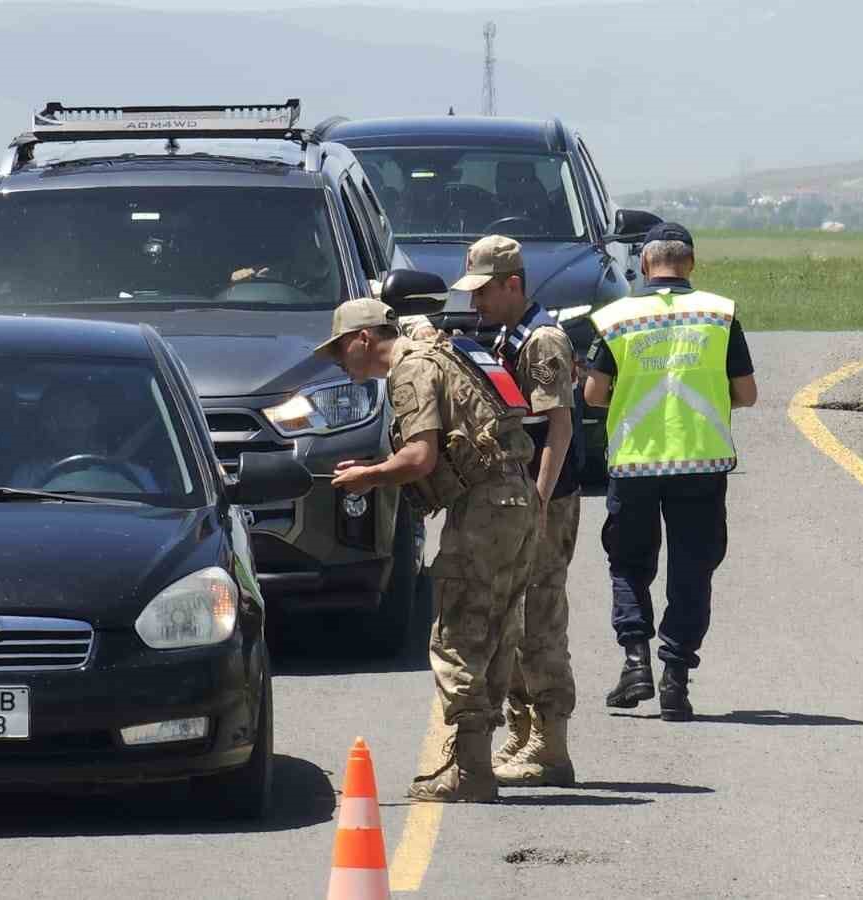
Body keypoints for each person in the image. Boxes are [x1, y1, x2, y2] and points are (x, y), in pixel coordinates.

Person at [318, 297, 538, 803]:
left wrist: (368, 477)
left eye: (339, 351)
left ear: (363, 340)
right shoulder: (435, 354)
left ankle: (469, 771)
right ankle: (474, 763)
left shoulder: (409, 371)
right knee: (497, 628)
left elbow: (420, 457)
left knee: (459, 633)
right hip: (514, 499)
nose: (339, 363)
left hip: (485, 509)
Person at [582, 222, 757, 722]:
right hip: (701, 462)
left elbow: (594, 395)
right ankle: (675, 678)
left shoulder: (616, 318)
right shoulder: (719, 315)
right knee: (693, 567)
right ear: (691, 265)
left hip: (635, 462)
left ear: (643, 263)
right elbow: (746, 393)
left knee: (629, 563)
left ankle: (635, 663)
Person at [454, 235, 581, 787]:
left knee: (539, 617)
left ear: (513, 284)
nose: (476, 303)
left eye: (484, 292)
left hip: (540, 497)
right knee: (513, 615)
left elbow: (559, 427)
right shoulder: (510, 333)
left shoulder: (544, 340)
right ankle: (523, 732)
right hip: (518, 497)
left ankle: (550, 744)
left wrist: (540, 501)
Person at [9, 382, 158, 493]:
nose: (58, 423)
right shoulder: (28, 476)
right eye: (50, 415)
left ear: (93, 415)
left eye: (68, 411)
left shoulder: (135, 476)